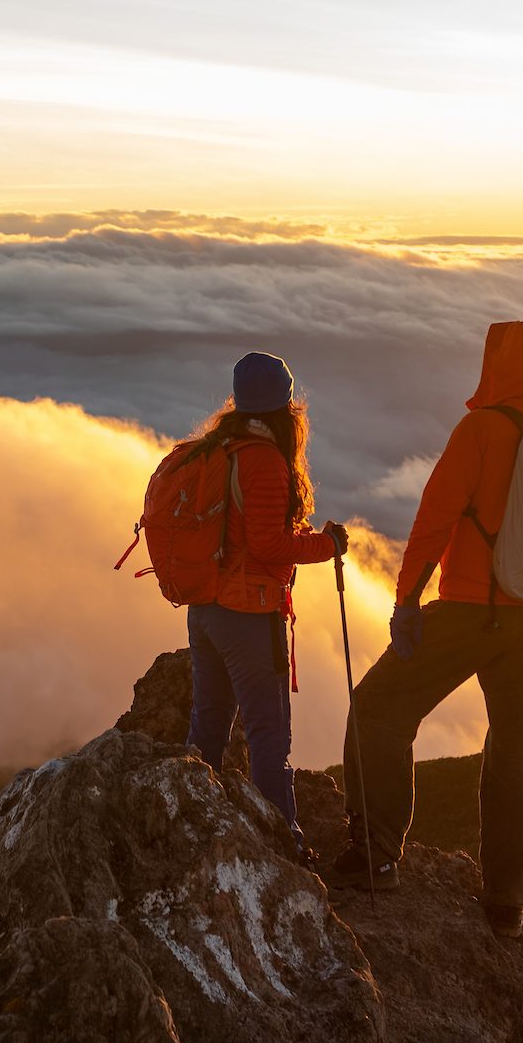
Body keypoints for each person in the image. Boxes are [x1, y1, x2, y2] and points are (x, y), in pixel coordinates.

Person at [334, 321, 523, 937]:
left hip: (468, 611)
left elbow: (435, 518)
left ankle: (376, 856)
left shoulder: (482, 430)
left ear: (502, 363)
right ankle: (508, 903)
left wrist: (407, 601)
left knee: (378, 709)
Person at [183, 351, 347, 857]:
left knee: (208, 722)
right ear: (286, 408)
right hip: (249, 615)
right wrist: (327, 545)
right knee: (267, 733)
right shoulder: (265, 461)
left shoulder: (218, 448)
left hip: (205, 609)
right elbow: (268, 547)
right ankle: (282, 840)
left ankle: (188, 823)